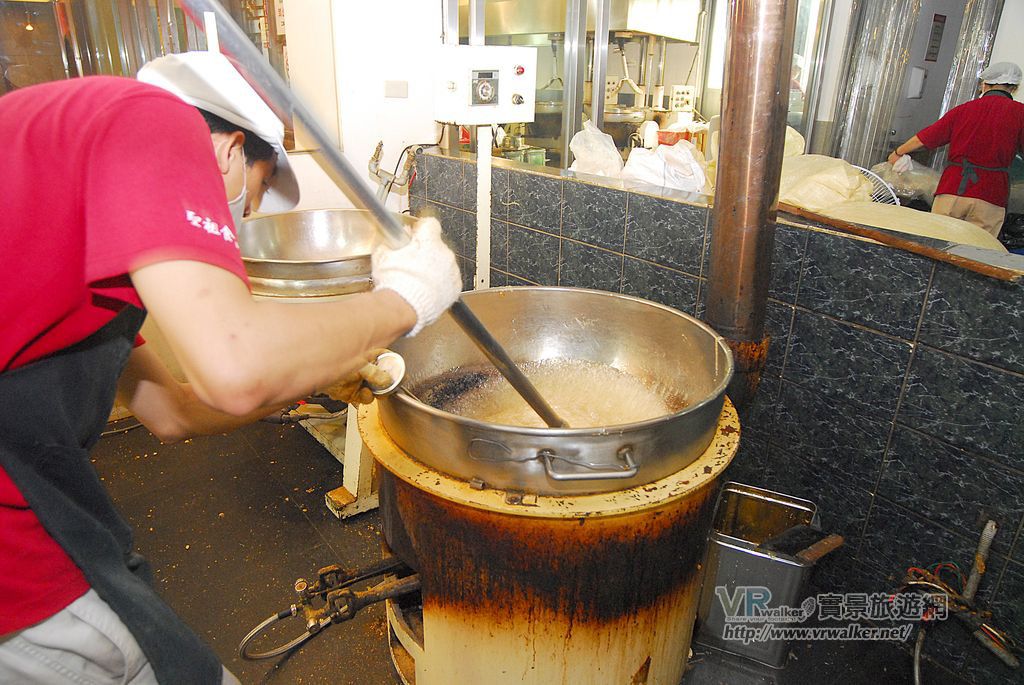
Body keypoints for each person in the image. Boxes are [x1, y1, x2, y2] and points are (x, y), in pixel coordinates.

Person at [0, 51, 461, 684]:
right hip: (21, 566)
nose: (241, 217)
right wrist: (405, 300)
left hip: (46, 510)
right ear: (227, 149)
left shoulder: (70, 212)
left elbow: (172, 412)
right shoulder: (153, 117)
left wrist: (307, 378)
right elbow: (236, 367)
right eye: (257, 190)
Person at [888, 61, 1024, 238]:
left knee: (937, 244)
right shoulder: (1020, 113)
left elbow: (926, 137)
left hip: (952, 189)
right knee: (978, 248)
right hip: (991, 194)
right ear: (1014, 88)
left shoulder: (963, 110)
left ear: (984, 85)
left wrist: (898, 152)